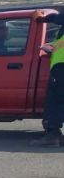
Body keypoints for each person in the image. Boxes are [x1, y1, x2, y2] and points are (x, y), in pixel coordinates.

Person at [31, 11, 64, 148]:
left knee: (55, 101)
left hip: (61, 67)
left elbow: (59, 18)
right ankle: (55, 135)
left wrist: (42, 19)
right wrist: (52, 47)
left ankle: (53, 135)